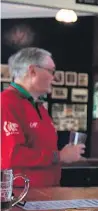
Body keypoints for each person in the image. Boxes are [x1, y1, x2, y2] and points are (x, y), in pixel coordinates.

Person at [1, 48, 85, 187]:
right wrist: (59, 156)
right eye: (51, 71)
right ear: (33, 71)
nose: (54, 78)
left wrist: (65, 155)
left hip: (46, 194)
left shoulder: (38, 106)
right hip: (22, 198)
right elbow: (10, 156)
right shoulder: (6, 103)